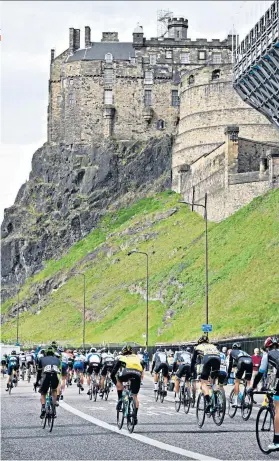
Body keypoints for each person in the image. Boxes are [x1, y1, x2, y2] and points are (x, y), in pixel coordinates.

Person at [248, 337, 279, 451]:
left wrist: (252, 387)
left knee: (278, 408)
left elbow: (260, 373)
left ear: (267, 347)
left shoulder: (267, 355)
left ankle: (276, 442)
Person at [111, 344, 143, 425]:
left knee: (119, 380)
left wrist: (117, 384)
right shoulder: (137, 357)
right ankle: (135, 416)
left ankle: (120, 400)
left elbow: (113, 373)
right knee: (135, 396)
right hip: (137, 373)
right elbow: (142, 370)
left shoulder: (122, 357)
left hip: (127, 372)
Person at [191, 335, 221, 413]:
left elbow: (193, 361)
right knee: (213, 381)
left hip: (207, 359)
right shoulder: (212, 345)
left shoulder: (197, 347)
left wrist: (192, 371)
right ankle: (217, 401)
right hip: (218, 359)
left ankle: (209, 402)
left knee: (203, 383)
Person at [34, 344, 61, 419]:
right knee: (54, 390)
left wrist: (37, 382)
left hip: (46, 376)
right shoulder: (58, 360)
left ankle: (43, 407)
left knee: (43, 393)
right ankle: (54, 405)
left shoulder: (41, 359)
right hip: (55, 376)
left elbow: (39, 373)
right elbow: (59, 371)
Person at [227, 343, 253, 407]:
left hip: (241, 361)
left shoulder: (232, 352)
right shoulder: (244, 352)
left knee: (237, 381)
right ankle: (249, 398)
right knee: (248, 381)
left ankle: (236, 402)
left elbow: (230, 365)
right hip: (250, 361)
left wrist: (228, 374)